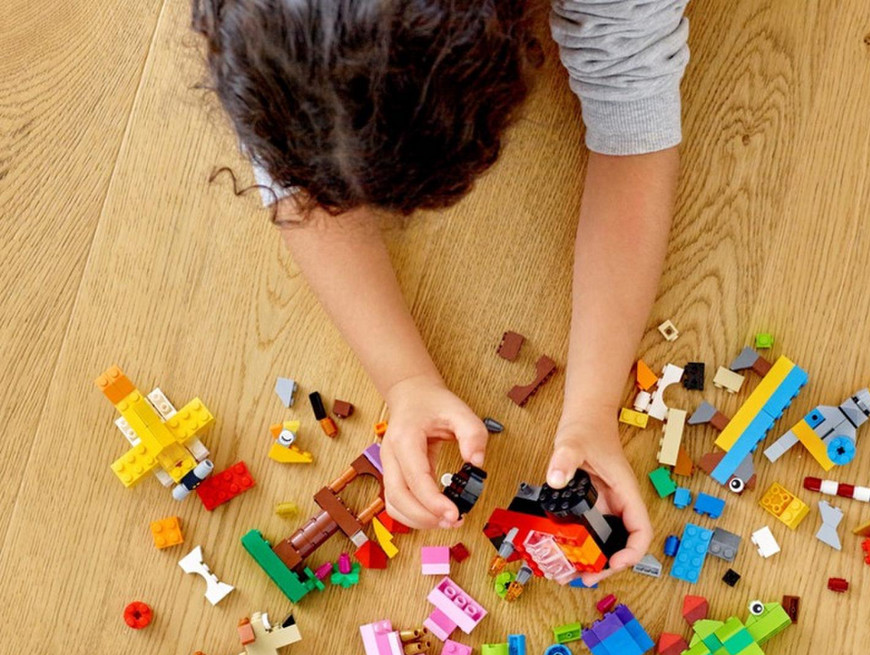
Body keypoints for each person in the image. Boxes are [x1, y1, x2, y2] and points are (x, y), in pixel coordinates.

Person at [193, 0, 690, 584]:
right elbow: (296, 174)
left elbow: (634, 117)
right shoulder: (263, 34)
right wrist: (404, 381)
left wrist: (594, 408)